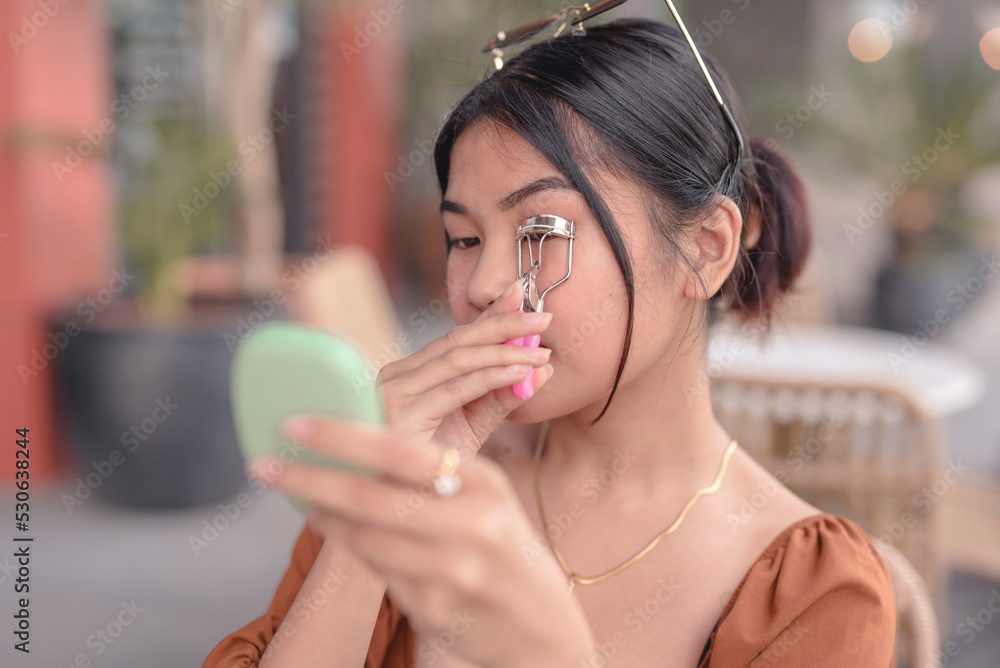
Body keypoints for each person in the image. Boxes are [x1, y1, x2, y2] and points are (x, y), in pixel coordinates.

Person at [204, 17, 896, 668]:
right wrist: (371, 516)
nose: (481, 285)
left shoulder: (809, 590)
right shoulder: (418, 476)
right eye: (464, 238)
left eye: (543, 233)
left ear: (705, 250)